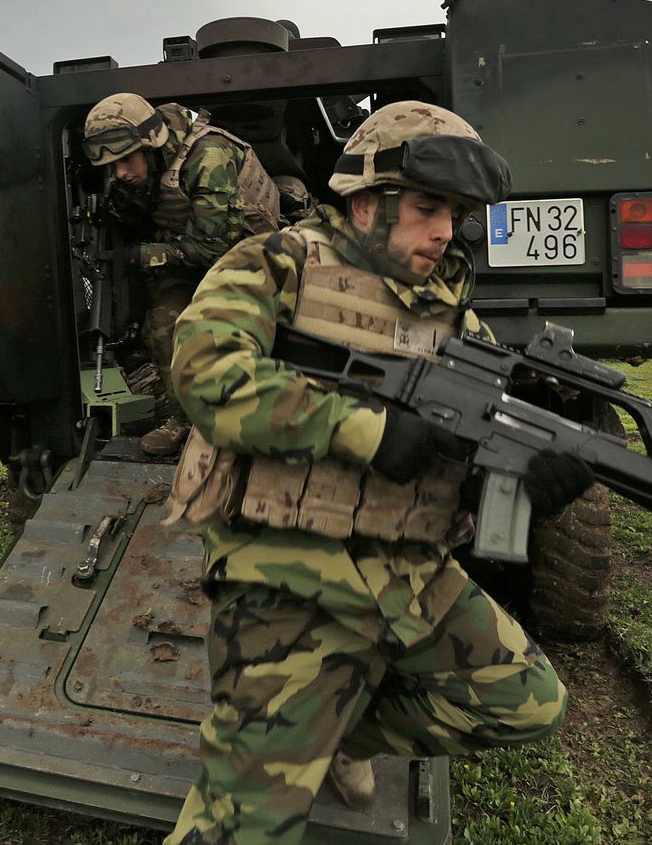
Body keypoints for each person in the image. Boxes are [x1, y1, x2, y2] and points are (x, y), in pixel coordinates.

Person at [161, 102, 593, 844]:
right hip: (287, 573)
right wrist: (365, 429)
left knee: (526, 702)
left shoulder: (460, 322)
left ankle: (338, 737)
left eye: (455, 214)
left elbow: (477, 450)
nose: (444, 231)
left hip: (409, 571)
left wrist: (527, 474)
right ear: (367, 201)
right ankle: (300, 740)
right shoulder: (278, 264)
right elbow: (205, 372)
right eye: (429, 208)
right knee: (239, 831)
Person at [81, 92, 280, 457]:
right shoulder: (147, 169)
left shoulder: (209, 156)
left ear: (151, 145)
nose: (121, 173)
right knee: (163, 325)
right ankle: (185, 421)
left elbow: (213, 247)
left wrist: (141, 255)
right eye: (112, 165)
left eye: (126, 160)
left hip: (251, 259)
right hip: (192, 259)